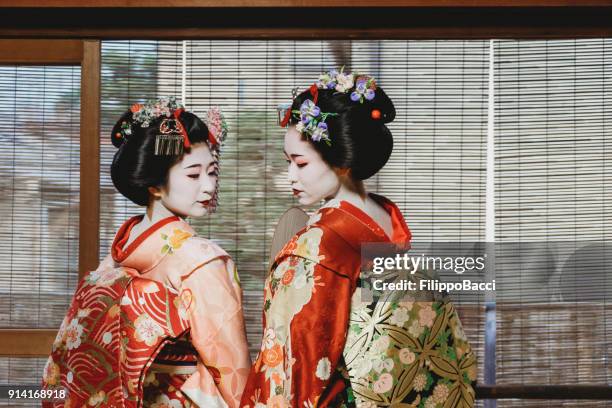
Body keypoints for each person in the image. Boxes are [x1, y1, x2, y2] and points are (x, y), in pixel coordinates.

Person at [240, 71, 476, 407]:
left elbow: (290, 368)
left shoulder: (319, 247)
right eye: (287, 161)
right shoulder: (388, 224)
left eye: (301, 162)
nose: (290, 175)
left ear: (341, 160)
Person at [42, 97, 251, 407]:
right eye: (193, 175)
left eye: (213, 172)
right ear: (154, 184)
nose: (208, 188)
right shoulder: (201, 259)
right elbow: (230, 366)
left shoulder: (121, 247)